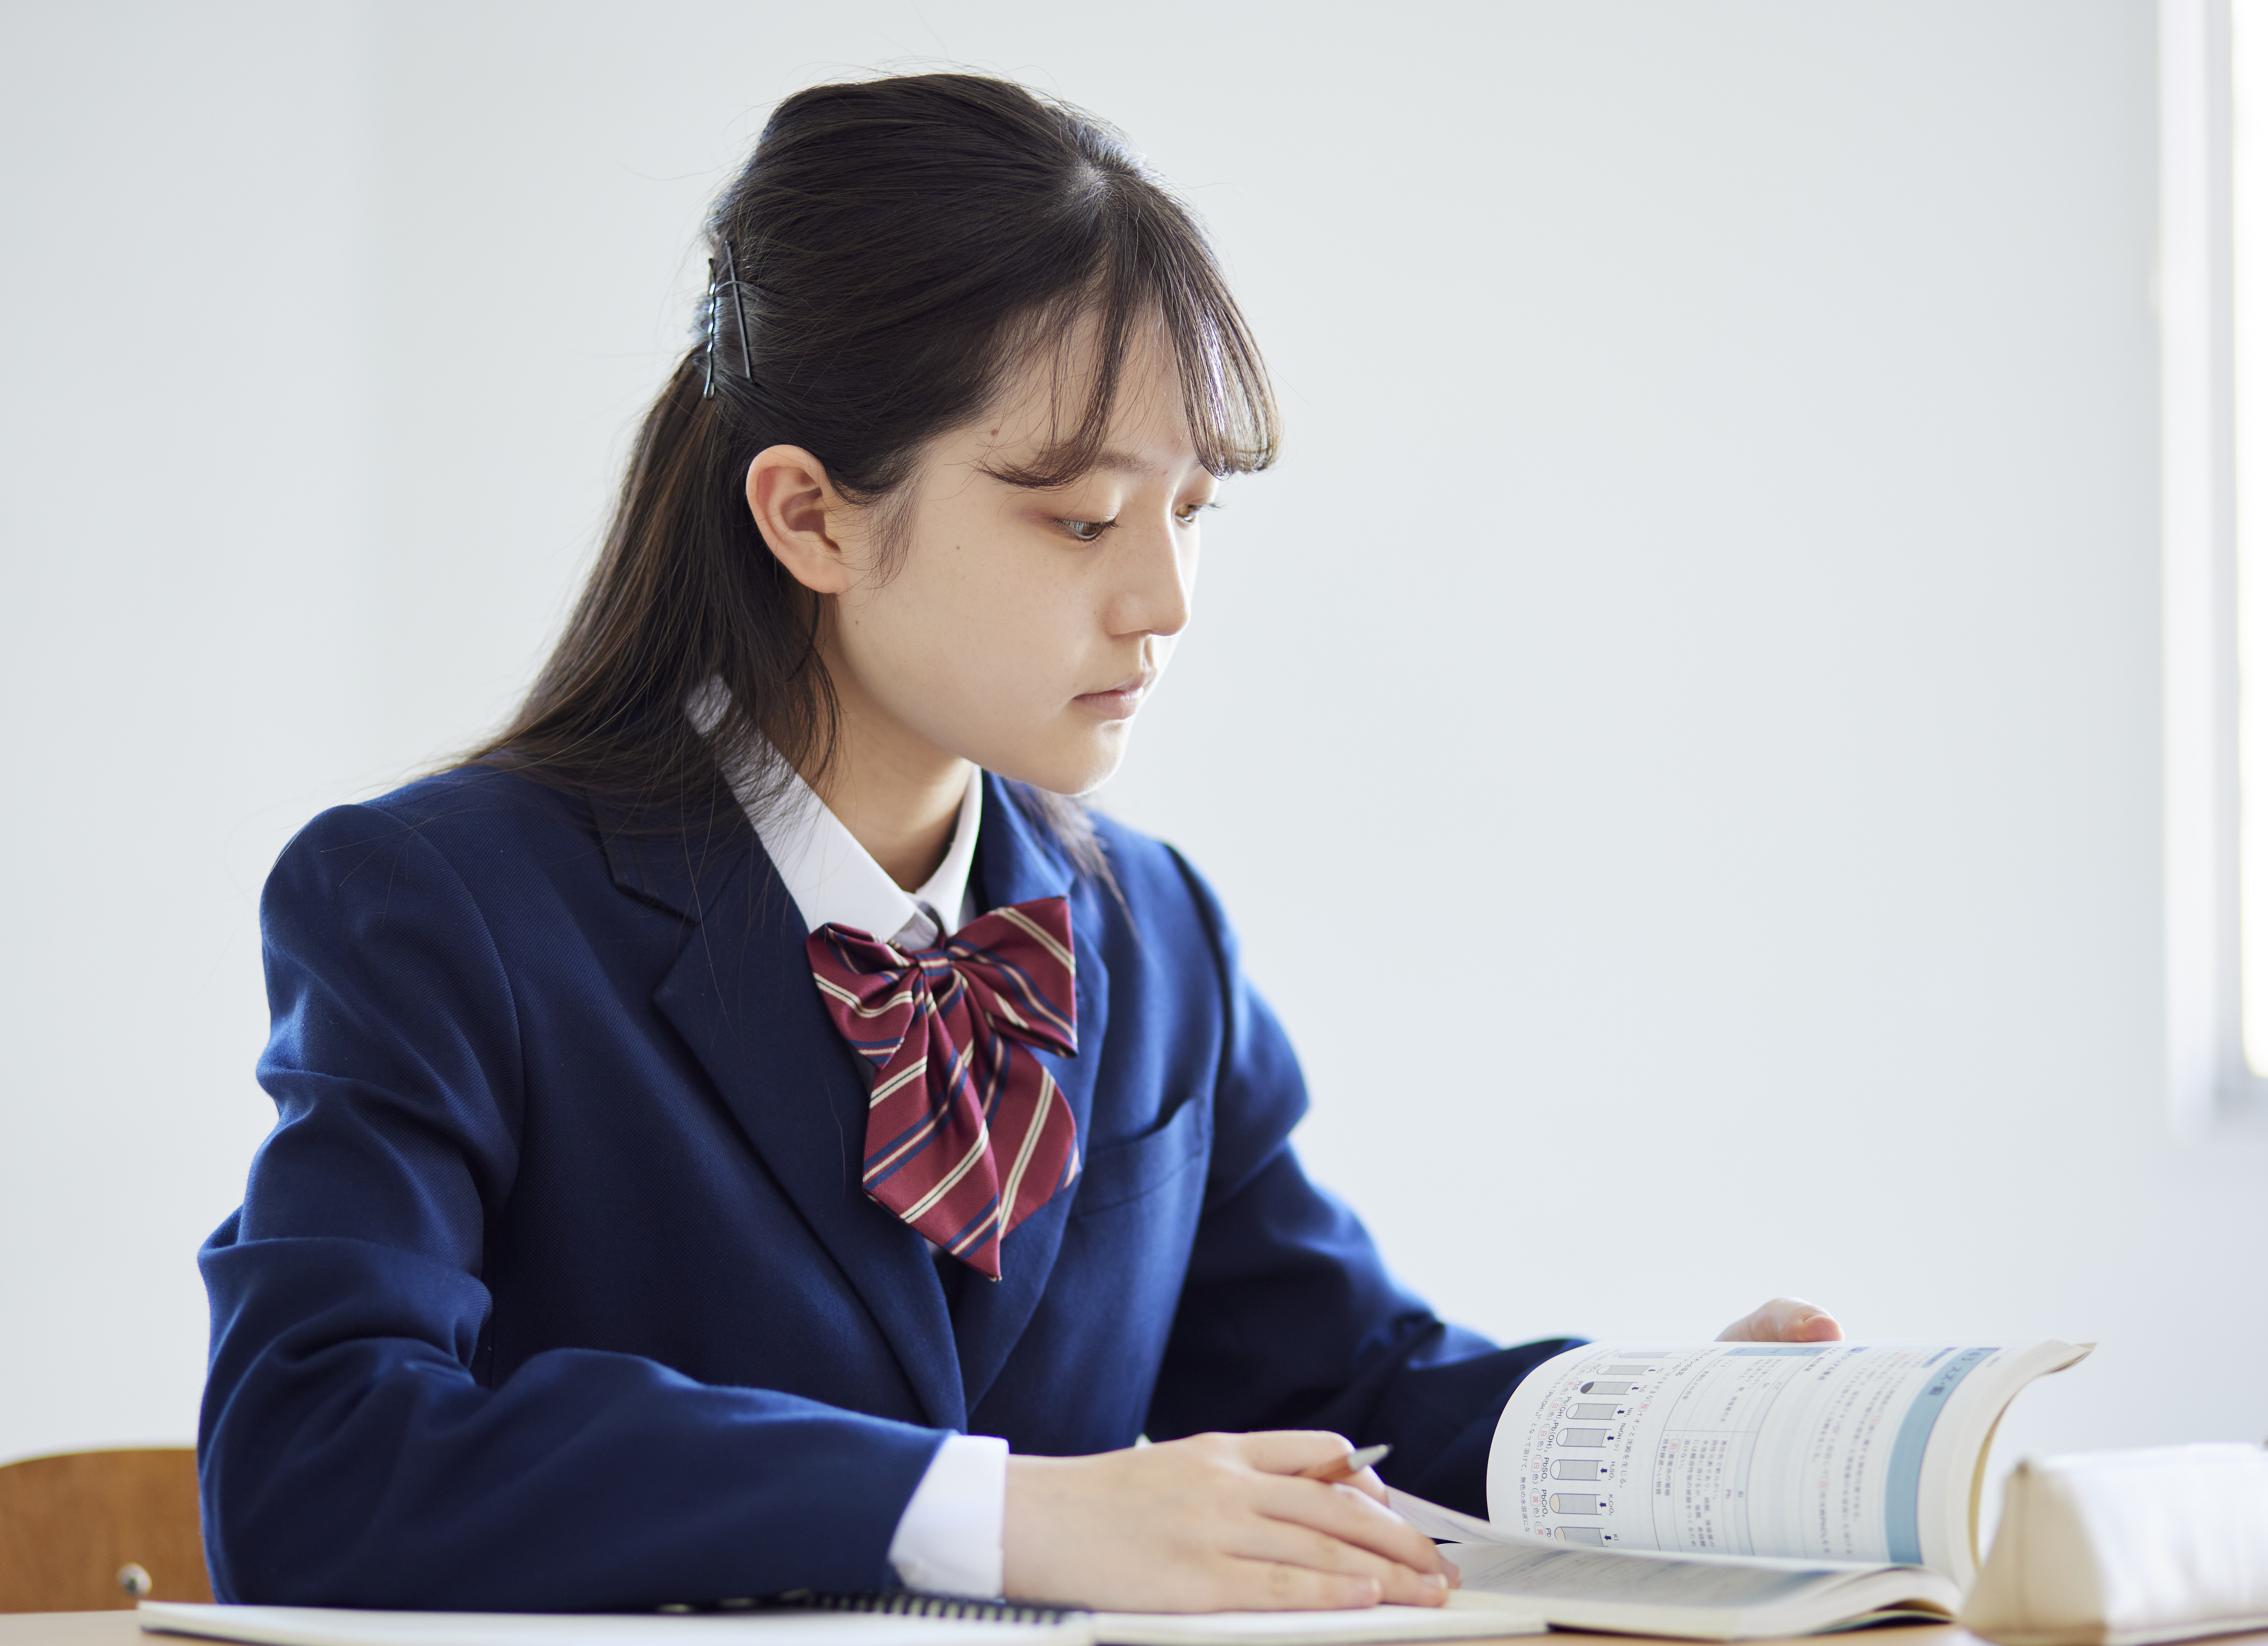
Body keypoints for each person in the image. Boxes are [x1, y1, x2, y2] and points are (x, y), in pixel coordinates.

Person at [196, 71, 1840, 1618]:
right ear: (810, 515)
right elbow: (315, 1456)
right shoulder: (446, 905)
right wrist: (1009, 1512)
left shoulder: (1150, 932)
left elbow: (1337, 1391)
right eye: (1076, 516)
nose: (1164, 603)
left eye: (1188, 512)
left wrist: (1669, 1432)